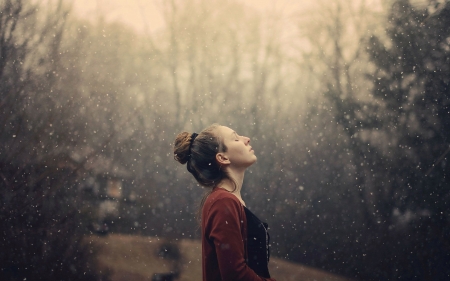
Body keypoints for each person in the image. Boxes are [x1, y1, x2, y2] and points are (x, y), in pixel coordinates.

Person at [173, 124, 277, 281]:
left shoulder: (228, 200)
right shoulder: (222, 202)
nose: (246, 139)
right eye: (236, 138)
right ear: (222, 158)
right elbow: (235, 275)